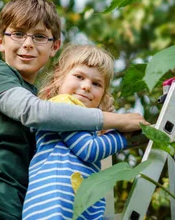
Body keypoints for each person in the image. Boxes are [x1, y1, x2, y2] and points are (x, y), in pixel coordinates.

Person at [0, 0, 146, 220]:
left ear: (54, 46)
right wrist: (118, 120)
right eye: (18, 34)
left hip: (14, 210)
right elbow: (34, 113)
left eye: (39, 36)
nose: (28, 44)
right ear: (0, 40)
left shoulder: (44, 100)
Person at [22, 44, 128, 220]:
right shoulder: (62, 105)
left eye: (96, 83)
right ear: (59, 77)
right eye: (79, 77)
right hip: (54, 208)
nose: (86, 86)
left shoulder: (87, 124)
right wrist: (123, 135)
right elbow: (88, 149)